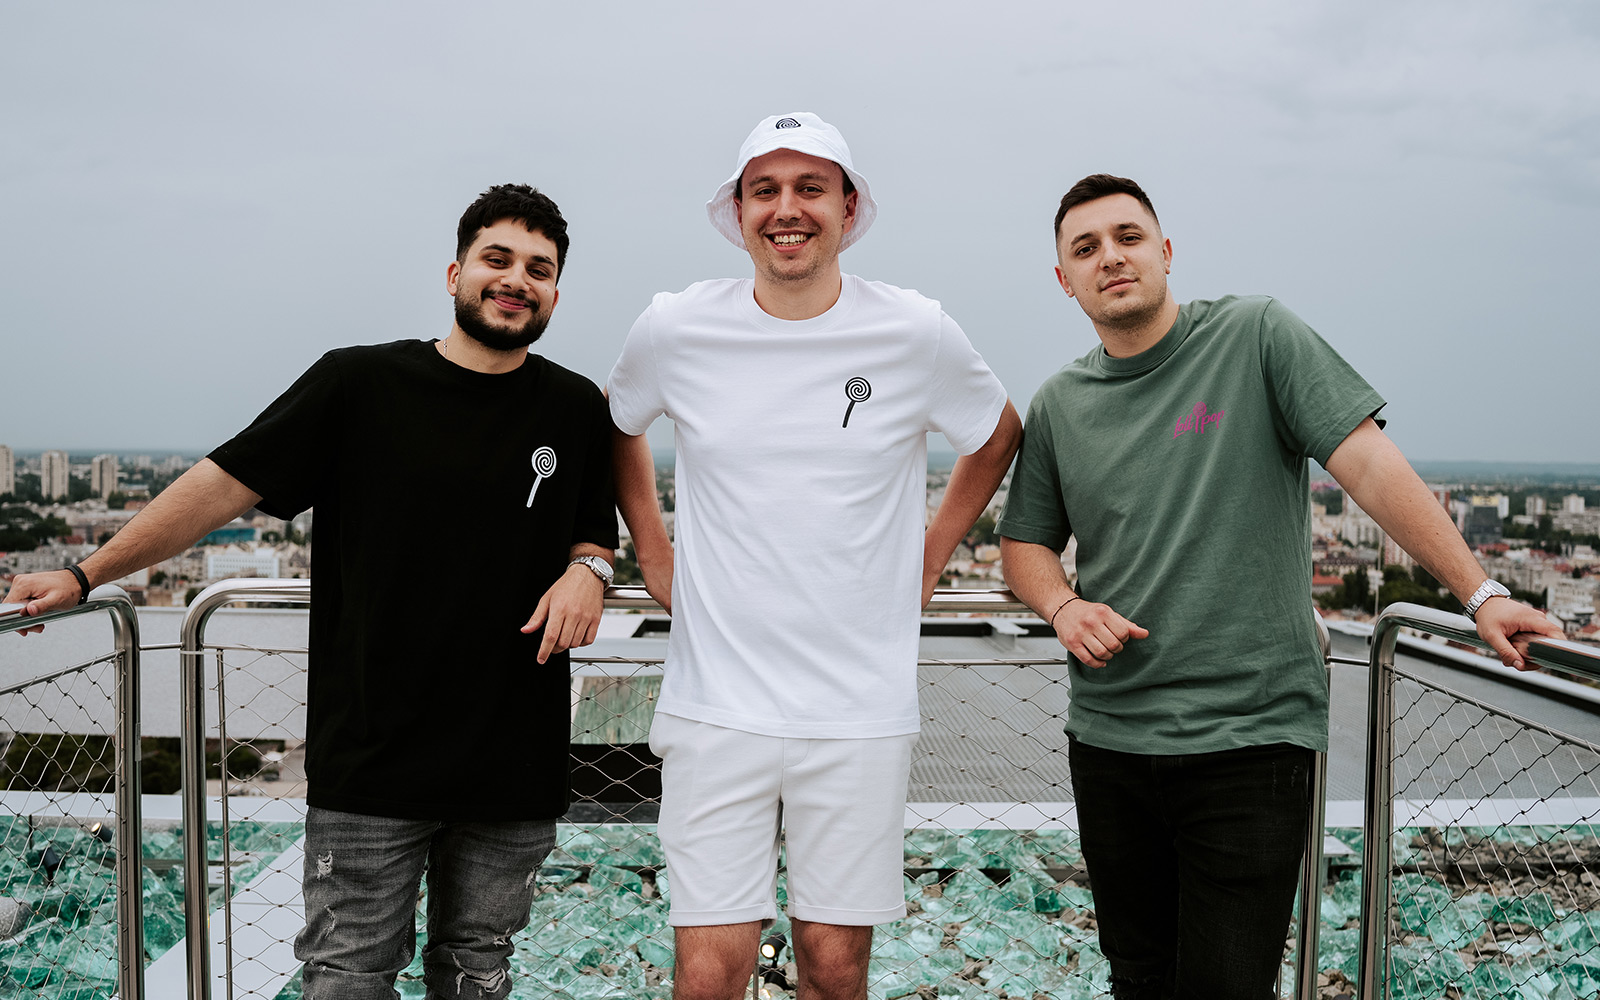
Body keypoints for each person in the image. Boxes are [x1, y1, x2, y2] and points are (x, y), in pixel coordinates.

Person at [4, 184, 619, 999]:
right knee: (346, 977)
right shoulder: (359, 384)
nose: (516, 280)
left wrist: (589, 570)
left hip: (513, 762)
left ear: (556, 293)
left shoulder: (573, 406)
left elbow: (594, 534)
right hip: (372, 758)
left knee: (479, 972)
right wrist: (86, 574)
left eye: (538, 269)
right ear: (455, 274)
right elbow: (221, 485)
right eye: (496, 259)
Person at [997, 173, 1562, 999]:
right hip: (1111, 740)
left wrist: (1480, 594)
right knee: (1139, 978)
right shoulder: (1059, 403)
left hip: (1250, 739)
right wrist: (1062, 605)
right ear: (1064, 279)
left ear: (1165, 250)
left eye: (1127, 237)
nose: (1110, 257)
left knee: (1229, 985)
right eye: (1086, 248)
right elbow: (1023, 544)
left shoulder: (1256, 335)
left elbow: (1368, 464)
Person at [606, 112, 1022, 1000]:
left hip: (858, 710)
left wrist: (929, 556)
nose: (786, 209)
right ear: (738, 211)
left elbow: (995, 434)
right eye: (765, 190)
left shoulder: (915, 330)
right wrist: (653, 549)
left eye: (810, 189)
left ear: (848, 207)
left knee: (835, 970)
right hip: (716, 705)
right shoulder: (676, 326)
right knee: (707, 975)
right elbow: (617, 425)